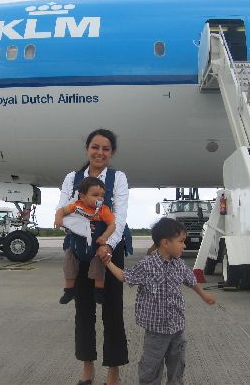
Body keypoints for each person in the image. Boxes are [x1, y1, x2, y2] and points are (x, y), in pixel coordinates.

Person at [56, 128, 130, 385]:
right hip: (80, 249)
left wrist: (107, 244)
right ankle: (87, 368)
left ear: (112, 152)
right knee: (83, 311)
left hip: (110, 249)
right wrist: (84, 233)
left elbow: (119, 216)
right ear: (87, 149)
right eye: (95, 147)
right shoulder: (72, 178)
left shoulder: (118, 178)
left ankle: (113, 371)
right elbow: (62, 211)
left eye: (105, 149)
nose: (100, 153)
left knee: (113, 311)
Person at [103, 217, 216, 385]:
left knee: (177, 365)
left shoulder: (179, 265)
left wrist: (204, 295)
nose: (184, 245)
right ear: (165, 243)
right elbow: (125, 276)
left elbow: (191, 280)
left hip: (177, 328)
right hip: (156, 331)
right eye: (181, 241)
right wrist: (108, 262)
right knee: (151, 367)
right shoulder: (147, 265)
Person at [55, 176, 116, 305]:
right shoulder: (76, 206)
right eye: (95, 195)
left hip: (95, 247)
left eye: (102, 195)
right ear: (82, 197)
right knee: (69, 262)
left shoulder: (103, 210)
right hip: (77, 246)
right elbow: (61, 210)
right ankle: (69, 290)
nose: (100, 198)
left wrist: (104, 237)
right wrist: (58, 218)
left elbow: (112, 224)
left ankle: (98, 291)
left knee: (99, 264)